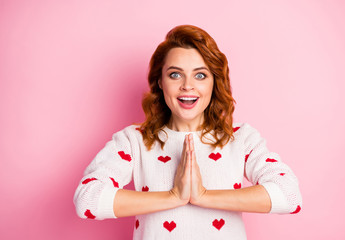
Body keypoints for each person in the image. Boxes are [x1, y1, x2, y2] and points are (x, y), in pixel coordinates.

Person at [73, 25, 302, 239]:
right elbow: (87, 200)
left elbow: (289, 196)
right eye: (175, 74)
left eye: (200, 75)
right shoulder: (134, 141)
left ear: (214, 82)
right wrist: (173, 197)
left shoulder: (240, 139)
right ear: (160, 81)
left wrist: (203, 196)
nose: (187, 86)